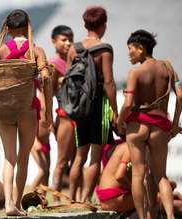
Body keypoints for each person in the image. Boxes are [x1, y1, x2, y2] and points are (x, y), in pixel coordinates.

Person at [0, 9, 51, 216]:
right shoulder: (36, 50)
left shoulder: (1, 51)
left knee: (9, 158)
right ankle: (18, 204)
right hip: (27, 109)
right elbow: (46, 79)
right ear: (27, 26)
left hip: (5, 110)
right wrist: (48, 113)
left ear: (8, 29)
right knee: (23, 157)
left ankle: (8, 204)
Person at [117, 29, 182, 219]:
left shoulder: (135, 72)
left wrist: (121, 120)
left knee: (138, 174)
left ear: (141, 48)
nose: (128, 53)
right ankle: (170, 217)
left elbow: (129, 103)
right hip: (160, 126)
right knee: (161, 176)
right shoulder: (168, 68)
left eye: (130, 49)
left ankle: (142, 216)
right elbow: (180, 95)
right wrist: (175, 123)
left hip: (137, 125)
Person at [68, 6, 118, 202]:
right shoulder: (105, 49)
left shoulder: (74, 48)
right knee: (95, 157)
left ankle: (71, 198)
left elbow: (70, 79)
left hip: (79, 106)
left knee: (79, 156)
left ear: (85, 24)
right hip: (99, 106)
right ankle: (85, 199)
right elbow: (109, 83)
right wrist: (115, 110)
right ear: (104, 24)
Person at [41, 25, 76, 201]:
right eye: (63, 40)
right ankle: (55, 199)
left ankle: (75, 197)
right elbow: (48, 94)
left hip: (78, 116)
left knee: (77, 159)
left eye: (70, 39)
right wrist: (48, 121)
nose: (68, 43)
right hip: (63, 115)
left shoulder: (76, 61)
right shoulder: (54, 64)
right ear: (54, 42)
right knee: (62, 161)